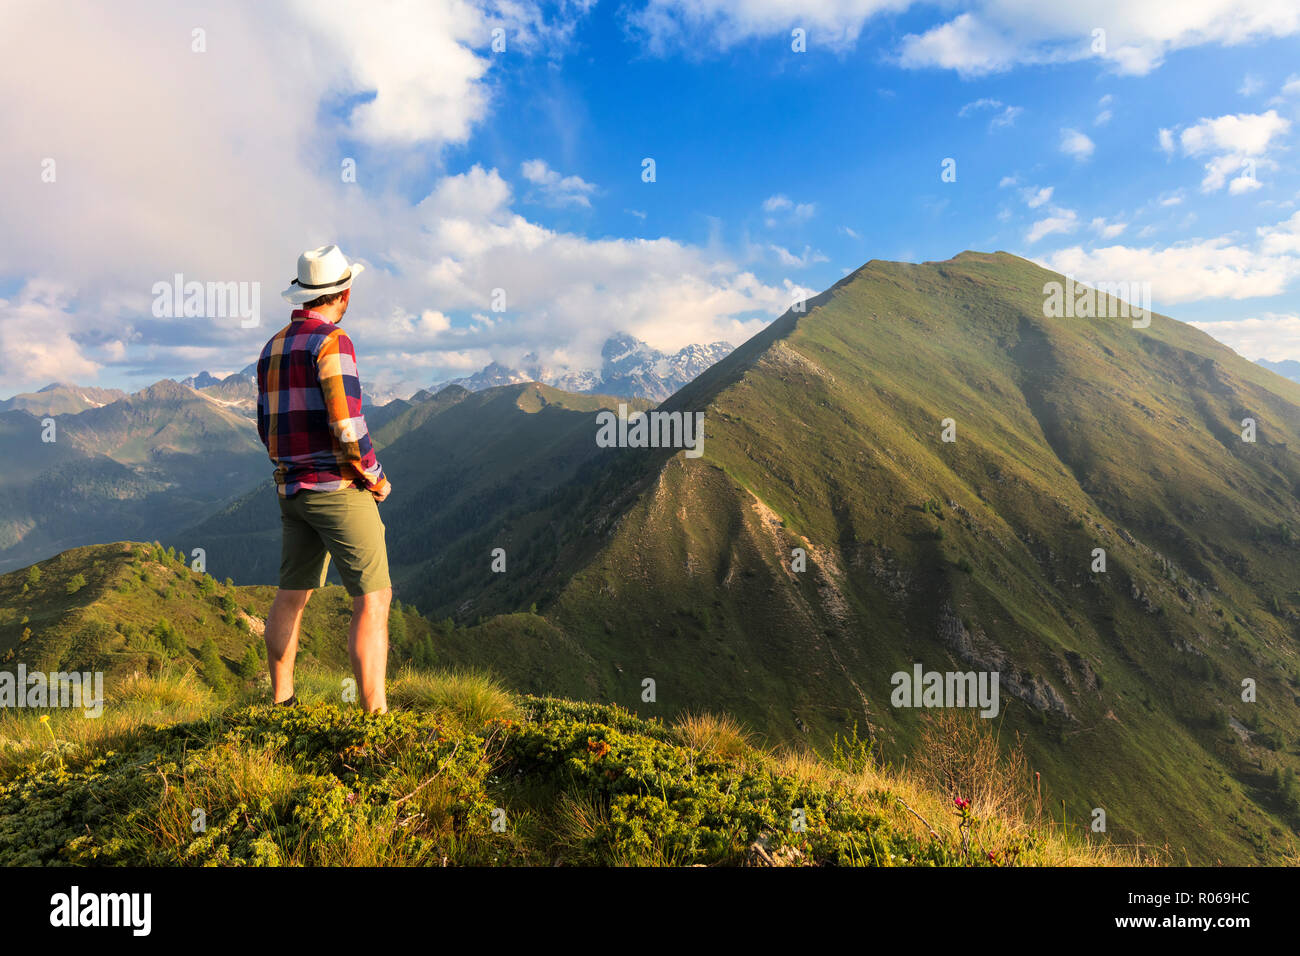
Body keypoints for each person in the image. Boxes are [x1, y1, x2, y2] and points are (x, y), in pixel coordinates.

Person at [255, 244, 392, 713]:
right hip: (335, 489)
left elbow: (264, 424)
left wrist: (289, 465)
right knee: (374, 599)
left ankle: (282, 700)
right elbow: (348, 425)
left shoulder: (271, 347)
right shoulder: (333, 342)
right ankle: (376, 719)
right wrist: (374, 476)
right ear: (344, 294)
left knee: (291, 594)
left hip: (289, 489)